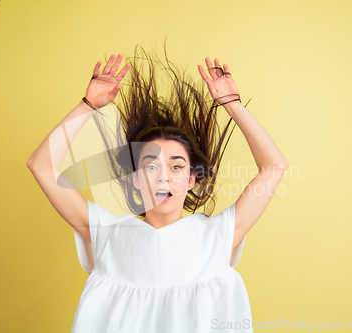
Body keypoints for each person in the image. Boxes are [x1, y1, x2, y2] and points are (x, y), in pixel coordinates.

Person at [27, 44, 288, 332]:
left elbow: (274, 167)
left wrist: (232, 104)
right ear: (136, 179)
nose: (164, 177)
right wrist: (87, 106)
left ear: (191, 180)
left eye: (176, 166)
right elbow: (41, 167)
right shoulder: (107, 234)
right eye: (151, 166)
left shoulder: (218, 236)